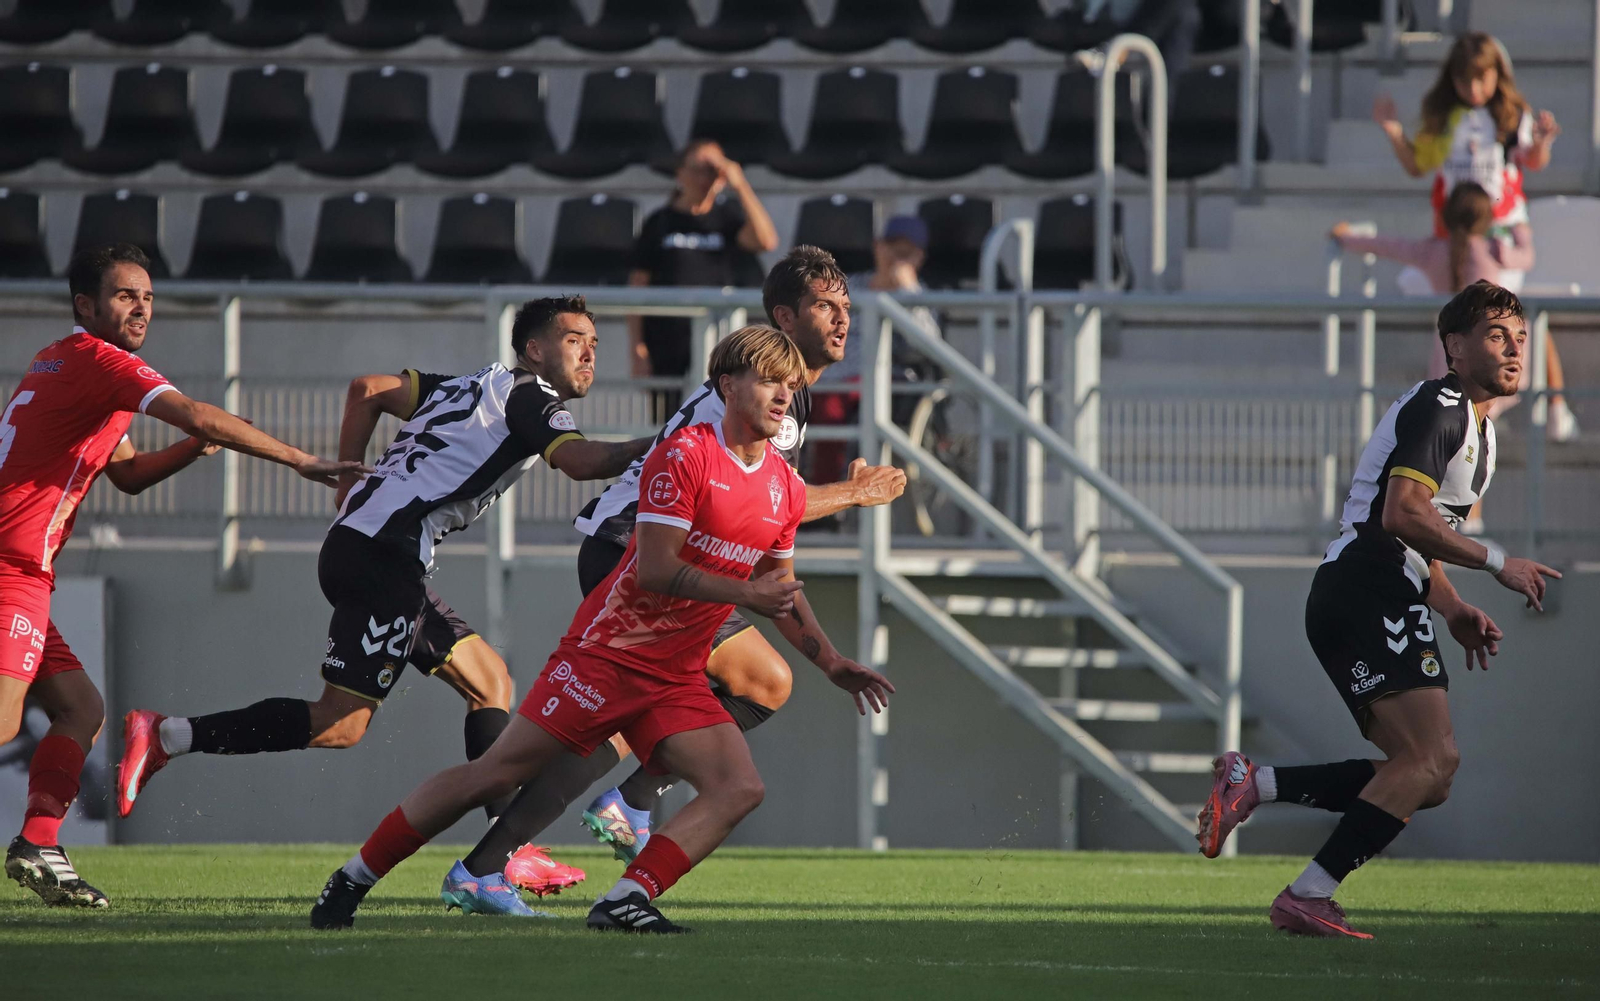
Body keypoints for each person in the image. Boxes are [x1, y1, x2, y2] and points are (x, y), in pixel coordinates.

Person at [309, 326, 894, 932]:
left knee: (737, 787)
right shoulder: (686, 455)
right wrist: (748, 592)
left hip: (677, 674)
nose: (783, 395)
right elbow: (661, 570)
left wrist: (830, 663)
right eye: (770, 380)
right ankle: (354, 877)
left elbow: (782, 590)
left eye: (790, 385)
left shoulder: (782, 486)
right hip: (607, 658)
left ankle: (623, 901)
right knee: (495, 774)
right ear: (727, 385)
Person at [115, 297, 652, 894]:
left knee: (489, 681)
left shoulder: (473, 385)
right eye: (575, 339)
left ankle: (510, 849)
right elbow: (579, 462)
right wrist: (659, 444)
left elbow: (367, 388)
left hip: (373, 549)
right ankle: (167, 734)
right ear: (533, 349)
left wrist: (348, 485)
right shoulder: (531, 399)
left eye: (595, 343)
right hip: (383, 557)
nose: (589, 353)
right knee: (341, 725)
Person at [455, 247, 906, 892]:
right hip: (633, 556)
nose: (842, 321)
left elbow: (767, 508)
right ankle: (493, 859)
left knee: (751, 687)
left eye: (846, 308)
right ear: (784, 315)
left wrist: (827, 651)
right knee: (702, 699)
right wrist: (856, 494)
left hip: (654, 558)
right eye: (825, 306)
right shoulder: (760, 397)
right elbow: (770, 501)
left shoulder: (777, 397)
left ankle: (585, 820)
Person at [2, 244, 364, 908]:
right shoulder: (102, 361)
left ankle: (40, 843)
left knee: (81, 708)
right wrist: (300, 460)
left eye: (146, 296)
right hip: (9, 568)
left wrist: (196, 449)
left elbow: (130, 475)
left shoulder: (68, 361)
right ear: (86, 306)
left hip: (24, 572)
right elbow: (197, 410)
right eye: (123, 295)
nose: (140, 307)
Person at [1196, 281, 1561, 939]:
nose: (1513, 350)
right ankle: (1307, 892)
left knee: (1429, 772)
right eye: (1496, 335)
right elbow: (1401, 514)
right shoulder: (1442, 402)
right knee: (1428, 761)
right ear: (1454, 345)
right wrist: (1498, 560)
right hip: (1365, 589)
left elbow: (1423, 537)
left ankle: (1259, 782)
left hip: (1378, 591)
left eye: (1521, 338)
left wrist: (1451, 608)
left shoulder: (1480, 429)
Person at [1372, 31, 1576, 439]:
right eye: (1466, 80)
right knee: (1461, 324)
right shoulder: (1444, 119)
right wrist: (1395, 132)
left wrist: (1542, 143)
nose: (1474, 89)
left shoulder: (1510, 115)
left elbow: (1532, 159)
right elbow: (1419, 164)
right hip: (1461, 242)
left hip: (1500, 238)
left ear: (1496, 77)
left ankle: (1548, 404)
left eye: (1482, 79)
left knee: (1517, 321)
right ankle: (1457, 409)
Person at [629, 138, 780, 420]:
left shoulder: (727, 218)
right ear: (680, 173)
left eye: (712, 170)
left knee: (718, 423)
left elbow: (766, 240)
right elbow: (638, 284)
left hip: (718, 342)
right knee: (667, 426)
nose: (704, 177)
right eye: (698, 168)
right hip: (666, 341)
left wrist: (739, 184)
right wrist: (637, 347)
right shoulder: (659, 222)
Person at [811, 215, 941, 488]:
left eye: (907, 253)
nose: (896, 257)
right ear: (877, 247)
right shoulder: (848, 286)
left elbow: (931, 347)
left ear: (920, 258)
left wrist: (908, 292)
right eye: (892, 247)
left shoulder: (921, 295)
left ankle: (825, 494)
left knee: (832, 404)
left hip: (884, 376)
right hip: (828, 372)